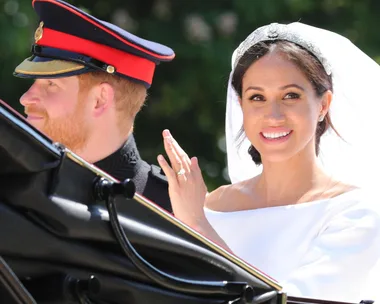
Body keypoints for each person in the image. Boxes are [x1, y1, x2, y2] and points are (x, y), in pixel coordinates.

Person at [156, 22, 380, 302]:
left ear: (323, 105)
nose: (273, 115)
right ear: (241, 105)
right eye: (257, 97)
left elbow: (288, 299)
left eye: (290, 96)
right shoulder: (213, 206)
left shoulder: (355, 214)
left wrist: (199, 228)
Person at [12, 0, 174, 212]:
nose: (26, 98)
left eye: (51, 84)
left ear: (100, 99)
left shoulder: (173, 211)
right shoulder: (13, 183)